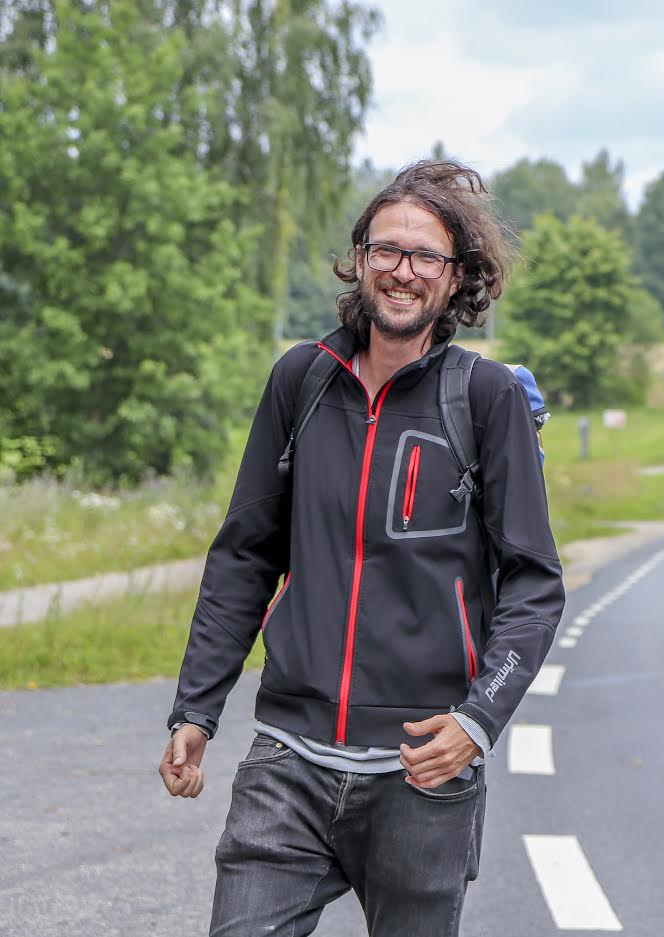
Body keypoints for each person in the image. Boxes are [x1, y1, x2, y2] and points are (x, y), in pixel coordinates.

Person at [159, 159, 565, 936]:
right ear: (361, 258)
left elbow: (533, 583)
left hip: (422, 770)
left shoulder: (484, 400)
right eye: (387, 250)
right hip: (289, 759)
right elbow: (246, 553)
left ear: (455, 281)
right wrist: (198, 708)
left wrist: (478, 721)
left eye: (425, 257)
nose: (402, 271)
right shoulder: (302, 383)